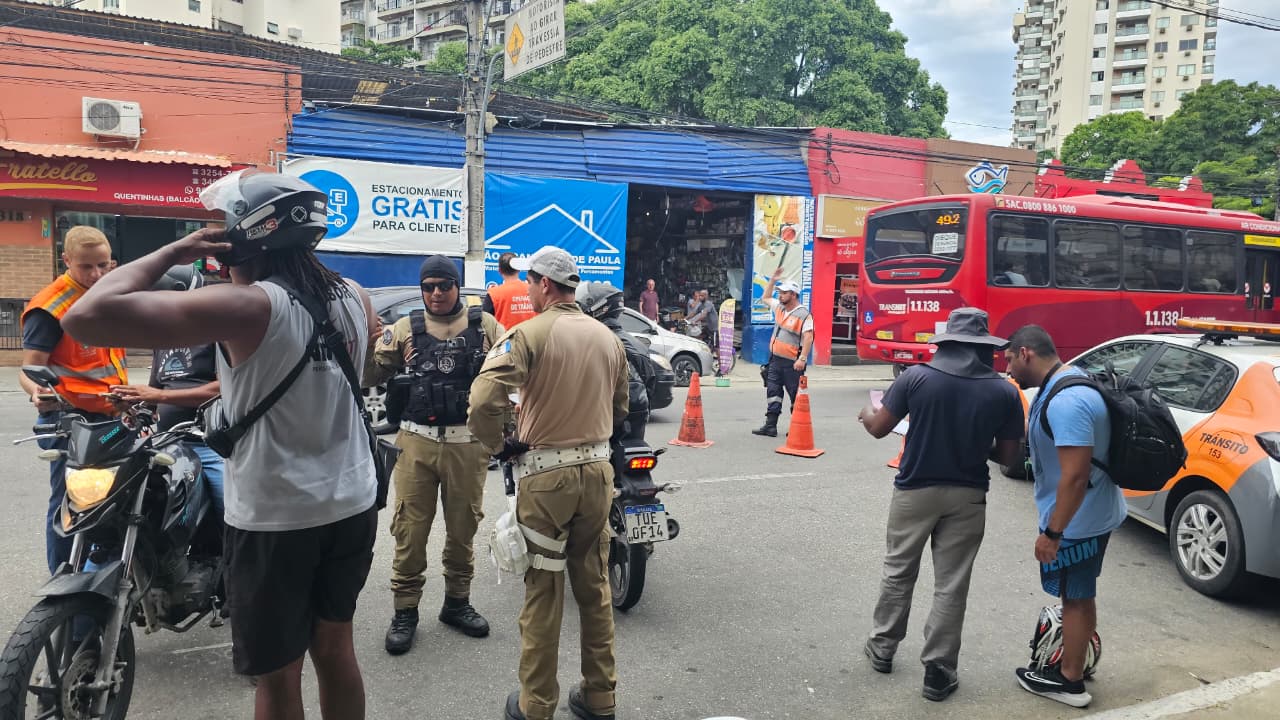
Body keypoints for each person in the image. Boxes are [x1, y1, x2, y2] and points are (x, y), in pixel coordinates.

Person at [62, 170, 380, 720]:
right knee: (335, 648)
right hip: (352, 502)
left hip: (278, 515)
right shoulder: (353, 295)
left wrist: (175, 248)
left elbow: (86, 315)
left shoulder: (247, 306)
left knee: (278, 674)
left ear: (246, 239)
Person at [467, 245, 629, 720]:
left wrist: (498, 447)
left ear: (543, 284)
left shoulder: (528, 334)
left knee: (544, 589)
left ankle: (536, 704)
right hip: (598, 473)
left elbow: (481, 402)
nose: (528, 291)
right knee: (595, 587)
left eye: (530, 283)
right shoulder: (607, 338)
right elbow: (619, 410)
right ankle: (600, 697)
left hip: (546, 477)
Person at [856, 308, 1024, 702]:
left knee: (899, 571)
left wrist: (866, 413)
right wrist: (975, 438)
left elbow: (879, 427)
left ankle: (882, 648)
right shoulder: (1002, 391)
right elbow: (1010, 458)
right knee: (951, 583)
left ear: (945, 342)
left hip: (915, 490)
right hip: (968, 496)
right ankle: (938, 670)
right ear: (983, 348)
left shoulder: (916, 377)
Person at [365, 255, 504, 655]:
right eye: (429, 286)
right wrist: (375, 343)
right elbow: (370, 377)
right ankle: (405, 611)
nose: (437, 293)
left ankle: (456, 603)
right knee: (409, 531)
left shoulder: (486, 326)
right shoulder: (405, 328)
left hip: (467, 443)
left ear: (458, 286)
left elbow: (513, 372)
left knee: (463, 531)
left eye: (444, 285)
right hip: (417, 443)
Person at [1004, 325, 1126, 709]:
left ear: (1025, 353)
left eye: (1008, 358)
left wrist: (1052, 533)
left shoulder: (1066, 401)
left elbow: (1075, 476)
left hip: (1078, 521)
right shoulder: (1064, 381)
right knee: (1080, 594)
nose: (1006, 367)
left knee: (1076, 597)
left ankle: (1070, 681)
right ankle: (1076, 660)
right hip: (1088, 513)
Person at [19, 225, 127, 574]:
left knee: (114, 503)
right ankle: (63, 588)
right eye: (86, 267)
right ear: (66, 260)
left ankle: (104, 584)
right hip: (70, 421)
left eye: (103, 265)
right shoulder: (50, 307)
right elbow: (29, 370)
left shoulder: (107, 296)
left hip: (111, 419)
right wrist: (37, 392)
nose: (96, 274)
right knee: (69, 506)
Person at [578, 281, 661, 442]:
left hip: (603, 424)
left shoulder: (592, 342)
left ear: (597, 308)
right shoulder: (637, 344)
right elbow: (650, 384)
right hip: (637, 422)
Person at [751, 266, 814, 438]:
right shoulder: (780, 308)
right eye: (780, 292)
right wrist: (772, 279)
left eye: (784, 292)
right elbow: (765, 297)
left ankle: (797, 427)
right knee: (773, 392)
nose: (781, 295)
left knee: (795, 395)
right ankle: (770, 426)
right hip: (775, 360)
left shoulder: (803, 315)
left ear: (793, 294)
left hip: (792, 363)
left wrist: (802, 359)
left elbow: (808, 338)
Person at [484, 251, 537, 329]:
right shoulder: (533, 289)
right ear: (519, 269)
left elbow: (485, 322)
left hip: (505, 339)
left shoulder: (494, 293)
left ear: (499, 271)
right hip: (532, 338)